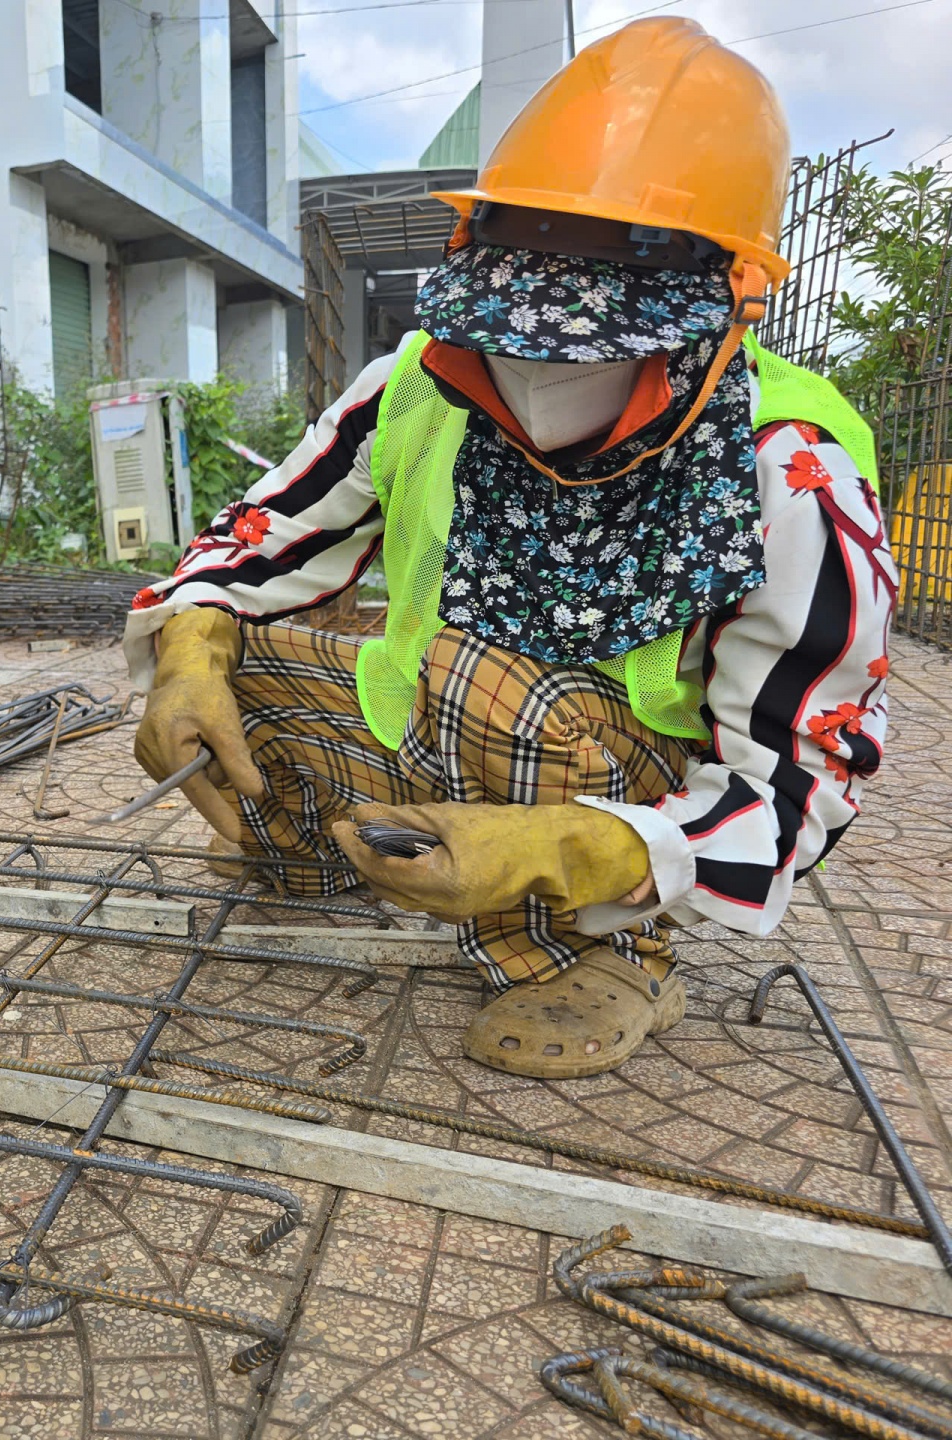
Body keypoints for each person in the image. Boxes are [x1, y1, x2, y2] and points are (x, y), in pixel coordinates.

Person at [127, 19, 890, 1079]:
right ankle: (331, 857)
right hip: (442, 735)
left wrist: (573, 847)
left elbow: (801, 785)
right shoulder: (422, 381)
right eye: (511, 328)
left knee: (480, 677)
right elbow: (255, 541)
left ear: (724, 305)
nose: (530, 370)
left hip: (620, 783)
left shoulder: (785, 469)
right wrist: (191, 653)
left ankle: (604, 949)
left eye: (587, 340)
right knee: (232, 657)